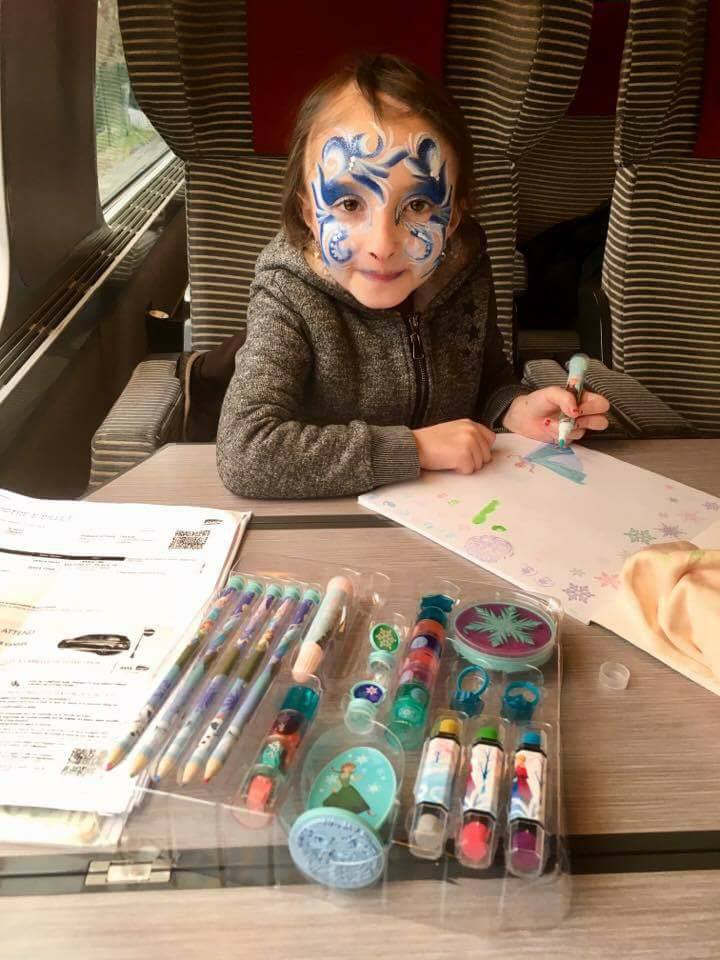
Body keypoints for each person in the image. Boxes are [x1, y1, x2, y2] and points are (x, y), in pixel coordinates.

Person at [216, 54, 609, 499]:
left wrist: (514, 408)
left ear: (454, 216)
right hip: (333, 517)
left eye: (419, 206)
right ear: (309, 213)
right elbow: (245, 452)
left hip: (457, 509)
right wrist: (416, 448)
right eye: (349, 204)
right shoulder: (287, 293)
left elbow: (487, 381)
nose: (383, 244)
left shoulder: (464, 267)